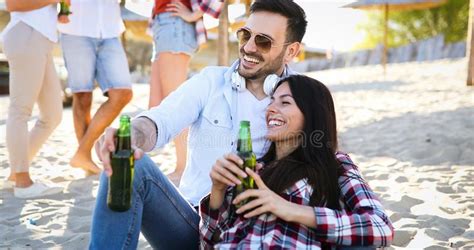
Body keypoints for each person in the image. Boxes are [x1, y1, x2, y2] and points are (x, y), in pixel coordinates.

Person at [90, 0, 306, 248]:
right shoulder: (211, 81)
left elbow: (325, 165)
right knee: (126, 161)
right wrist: (129, 138)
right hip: (195, 223)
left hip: (261, 233)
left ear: (291, 51)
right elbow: (160, 120)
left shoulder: (304, 97)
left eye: (263, 41)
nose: (248, 47)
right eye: (245, 34)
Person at [201, 75, 394, 249]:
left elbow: (381, 227)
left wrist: (289, 209)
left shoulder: (334, 165)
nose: (271, 109)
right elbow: (208, 242)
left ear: (311, 115)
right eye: (271, 101)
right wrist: (217, 190)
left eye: (285, 102)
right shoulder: (256, 167)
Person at [148, 0, 223, 186]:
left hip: (174, 25)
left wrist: (194, 14)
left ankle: (184, 168)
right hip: (163, 26)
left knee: (176, 106)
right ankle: (183, 165)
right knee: (156, 105)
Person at [2, 0, 70, 198]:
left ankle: (15, 174)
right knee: (20, 110)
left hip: (41, 39)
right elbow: (12, 4)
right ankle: (22, 181)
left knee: (52, 115)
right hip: (26, 34)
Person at [58, 0, 133, 175]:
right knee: (82, 96)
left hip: (110, 30)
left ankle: (82, 153)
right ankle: (85, 160)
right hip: (75, 28)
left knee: (123, 93)